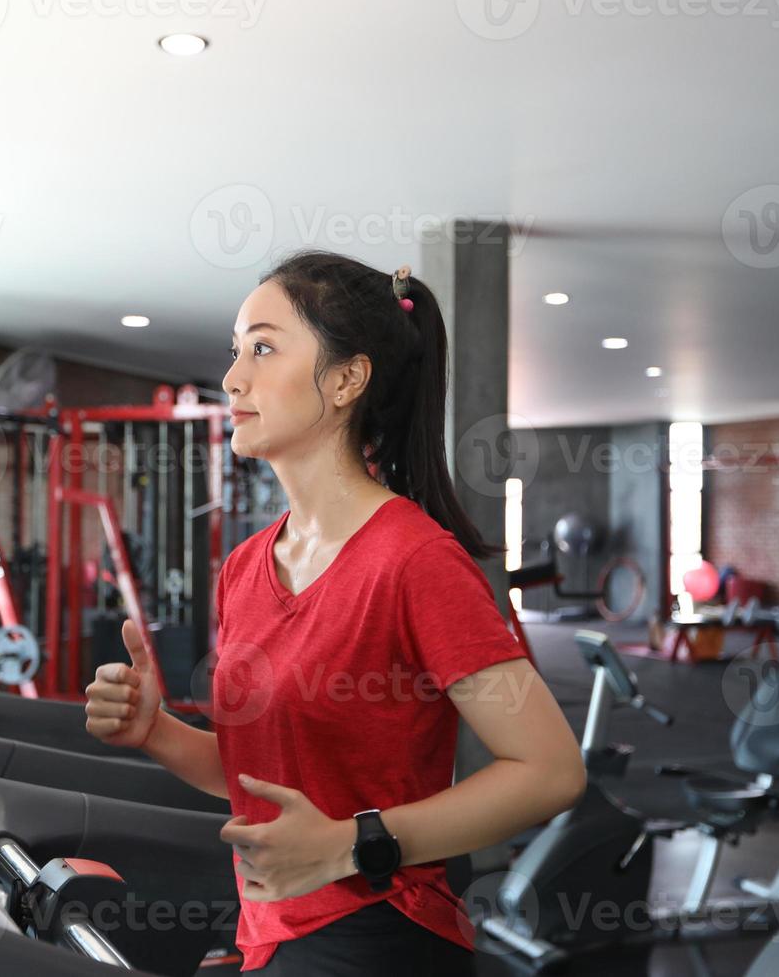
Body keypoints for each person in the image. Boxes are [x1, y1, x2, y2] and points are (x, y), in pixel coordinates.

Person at [85, 250, 586, 975]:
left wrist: (356, 843)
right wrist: (156, 733)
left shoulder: (414, 561)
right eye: (235, 353)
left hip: (375, 937)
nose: (232, 379)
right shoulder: (245, 567)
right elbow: (261, 777)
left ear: (348, 379)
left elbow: (550, 771)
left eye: (262, 347)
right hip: (271, 927)